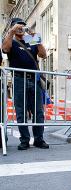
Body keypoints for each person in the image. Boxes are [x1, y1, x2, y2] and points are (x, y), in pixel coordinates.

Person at [2, 18, 48, 150]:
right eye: (18, 26)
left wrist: (35, 37)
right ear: (13, 27)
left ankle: (39, 139)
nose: (21, 28)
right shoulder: (11, 39)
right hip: (19, 79)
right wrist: (11, 31)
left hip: (34, 79)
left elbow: (43, 54)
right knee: (21, 112)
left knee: (38, 111)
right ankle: (24, 140)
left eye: (23, 25)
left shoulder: (30, 39)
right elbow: (5, 49)